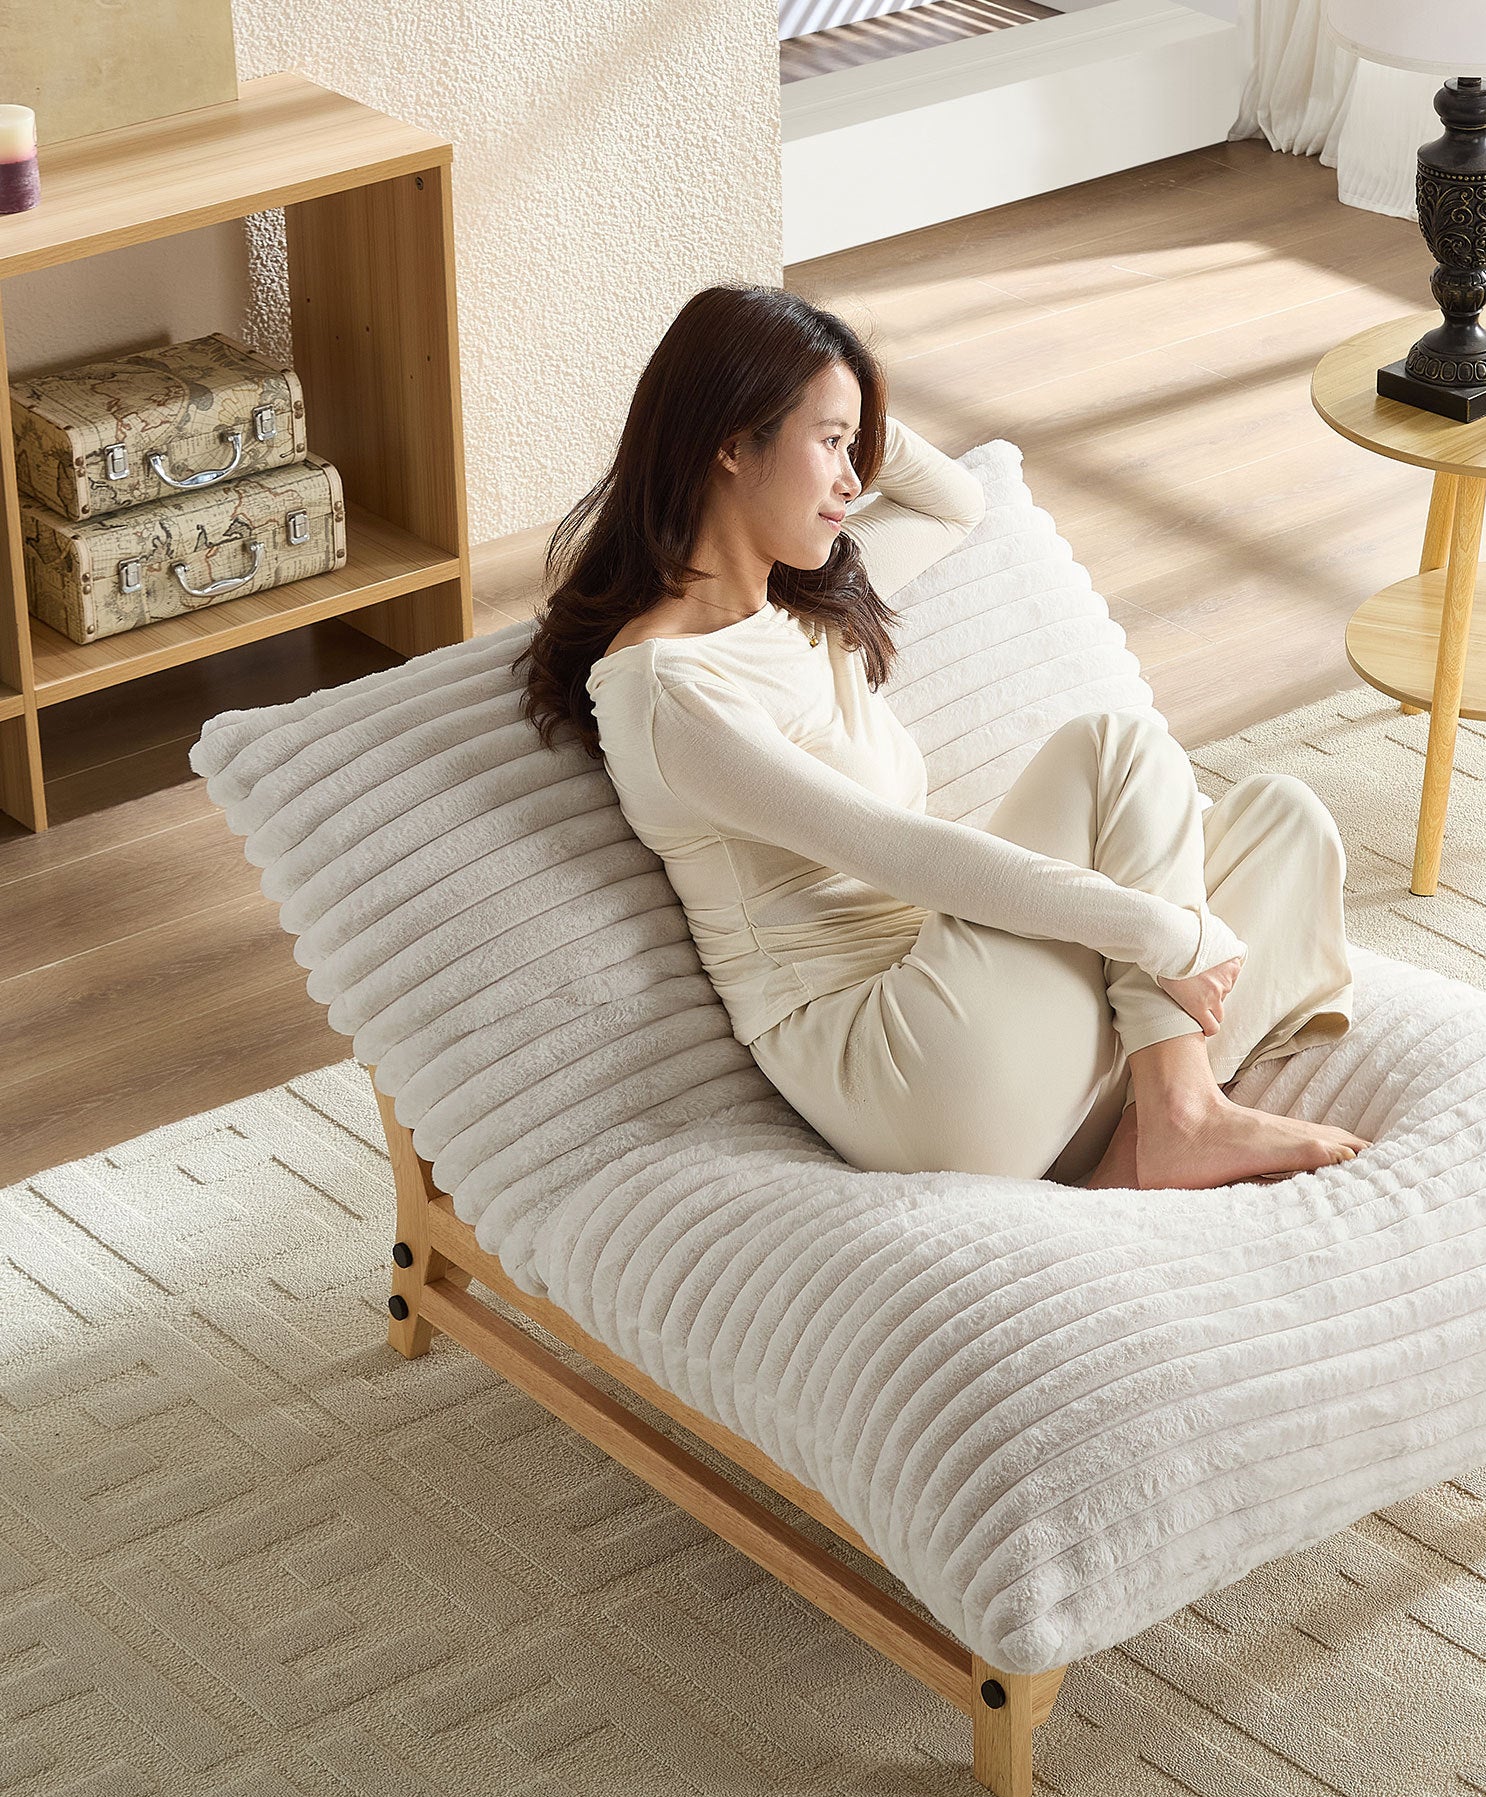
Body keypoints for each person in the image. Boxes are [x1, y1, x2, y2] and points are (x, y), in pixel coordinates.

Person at [516, 283, 1367, 1190]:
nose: (854, 479)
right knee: (1116, 753)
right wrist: (1163, 935)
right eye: (832, 445)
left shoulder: (802, 609)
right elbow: (896, 853)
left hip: (998, 1026)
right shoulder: (669, 690)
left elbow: (954, 503)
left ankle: (1144, 1130)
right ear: (729, 444)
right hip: (904, 1066)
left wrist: (845, 386)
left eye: (857, 447)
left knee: (1285, 818)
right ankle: (1182, 1113)